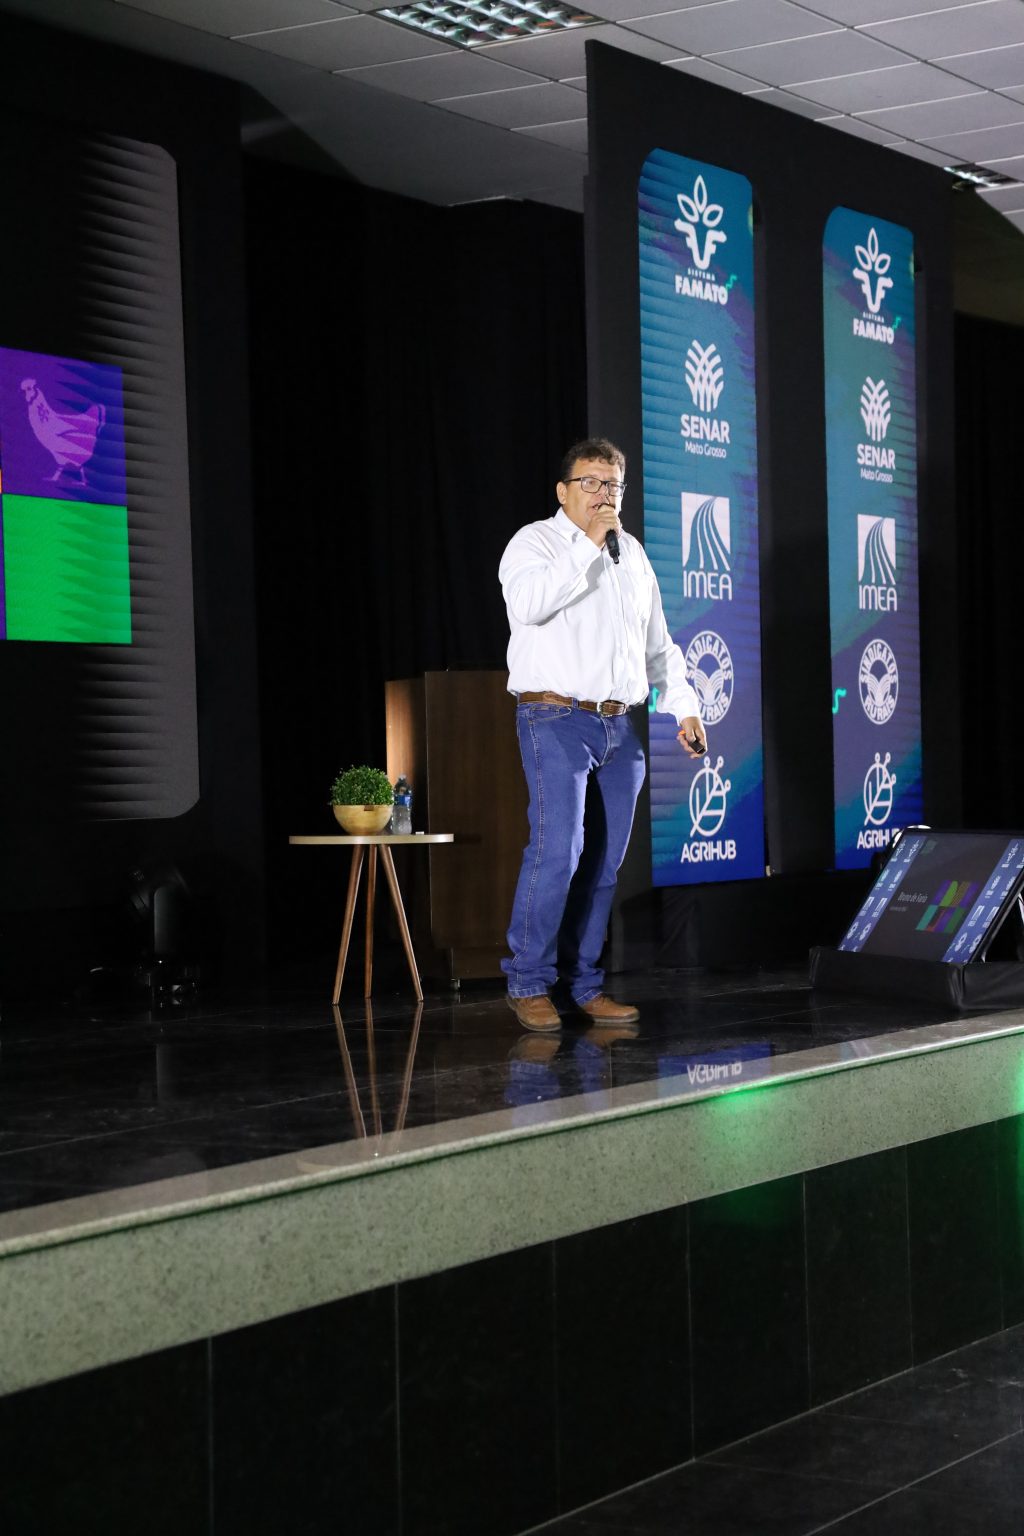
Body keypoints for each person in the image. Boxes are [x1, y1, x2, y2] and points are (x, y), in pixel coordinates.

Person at [499, 437, 706, 1032]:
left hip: (620, 726)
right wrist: (587, 546)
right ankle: (528, 981)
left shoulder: (631, 553)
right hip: (555, 719)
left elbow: (658, 644)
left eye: (613, 485)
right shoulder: (534, 543)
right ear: (563, 491)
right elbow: (530, 605)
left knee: (605, 865)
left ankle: (584, 984)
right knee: (557, 851)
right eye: (590, 483)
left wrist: (684, 708)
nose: (603, 495)